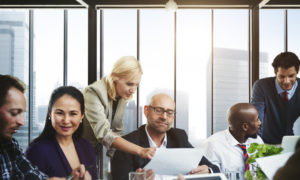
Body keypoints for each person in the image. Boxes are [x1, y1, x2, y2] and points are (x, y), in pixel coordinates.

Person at [111, 93, 220, 180]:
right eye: (158, 110)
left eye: (169, 112)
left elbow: (214, 168)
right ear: (146, 111)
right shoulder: (127, 144)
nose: (164, 117)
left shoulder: (179, 137)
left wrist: (208, 170)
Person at [0, 75, 88, 180]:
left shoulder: (10, 147)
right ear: (50, 114)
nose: (22, 122)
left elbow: (33, 177)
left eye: (22, 113)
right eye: (14, 113)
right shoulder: (38, 150)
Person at [82, 56, 155, 158]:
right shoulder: (94, 92)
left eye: (136, 85)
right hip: (75, 149)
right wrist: (140, 151)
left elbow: (117, 129)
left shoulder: (121, 95)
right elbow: (103, 133)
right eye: (129, 84)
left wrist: (119, 163)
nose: (133, 90)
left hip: (93, 151)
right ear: (114, 77)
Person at [26, 86, 97, 179]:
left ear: (82, 115)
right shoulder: (37, 151)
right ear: (49, 114)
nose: (66, 120)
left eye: (73, 114)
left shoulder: (87, 146)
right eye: (59, 113)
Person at [251, 52, 300, 144]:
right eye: (282, 76)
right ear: (275, 72)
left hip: (289, 141)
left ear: (297, 71)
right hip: (264, 141)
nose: (286, 81)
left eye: (291, 76)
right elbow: (256, 118)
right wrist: (257, 144)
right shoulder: (261, 86)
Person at [203, 103, 263, 177]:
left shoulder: (257, 141)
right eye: (257, 119)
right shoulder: (213, 144)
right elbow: (210, 176)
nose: (260, 123)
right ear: (245, 127)